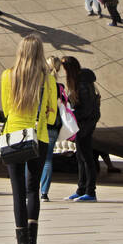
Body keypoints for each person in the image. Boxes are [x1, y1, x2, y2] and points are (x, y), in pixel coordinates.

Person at [0, 34, 57, 244]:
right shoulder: (48, 80)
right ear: (40, 52)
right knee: (33, 189)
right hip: (39, 136)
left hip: (14, 135)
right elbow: (52, 115)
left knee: (18, 192)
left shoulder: (8, 76)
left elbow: (5, 109)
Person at [62, 57, 101, 202]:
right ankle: (81, 189)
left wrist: (71, 115)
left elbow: (86, 108)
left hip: (86, 122)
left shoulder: (82, 83)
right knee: (80, 156)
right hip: (84, 121)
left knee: (86, 157)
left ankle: (90, 191)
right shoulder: (81, 81)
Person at [39, 63, 68, 202]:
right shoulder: (59, 87)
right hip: (53, 126)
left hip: (38, 124)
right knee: (47, 159)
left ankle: (28, 189)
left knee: (30, 157)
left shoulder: (39, 85)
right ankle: (44, 192)